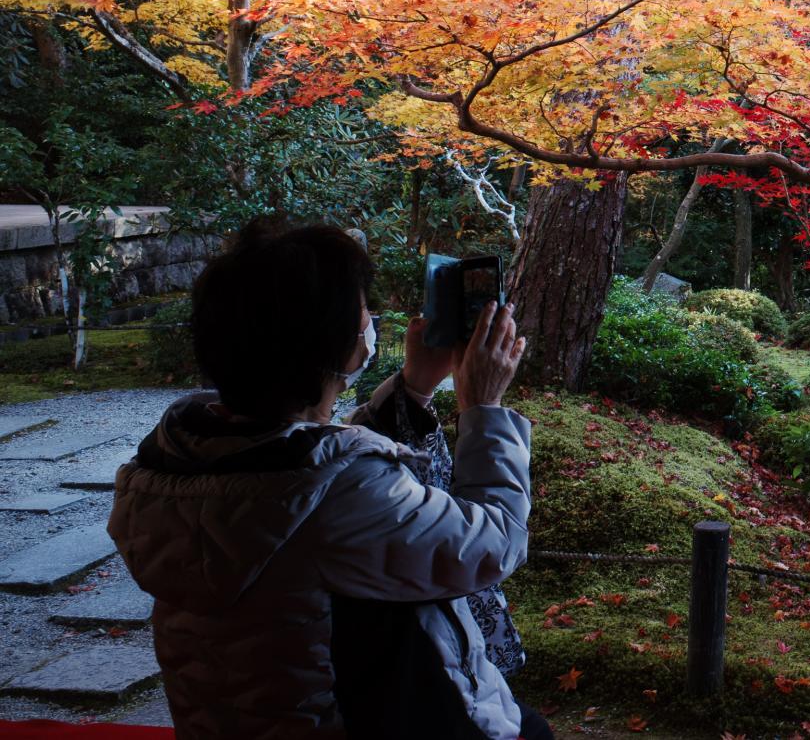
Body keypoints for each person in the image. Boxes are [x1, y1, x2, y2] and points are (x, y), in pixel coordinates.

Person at [109, 219, 544, 740]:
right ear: (333, 344)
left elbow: (312, 466)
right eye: (362, 309)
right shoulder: (336, 497)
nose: (371, 320)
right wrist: (485, 408)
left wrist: (413, 389)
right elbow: (494, 542)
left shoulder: (172, 459)